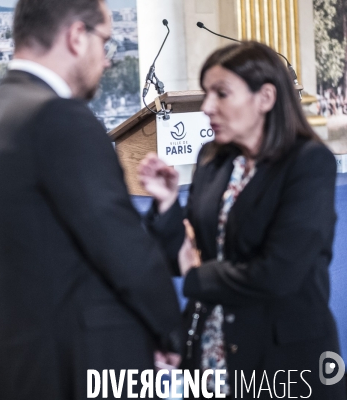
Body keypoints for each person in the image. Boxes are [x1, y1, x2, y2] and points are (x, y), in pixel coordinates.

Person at [0, 0, 183, 398]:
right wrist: (174, 334)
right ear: (77, 36)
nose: (108, 60)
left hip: (25, 366)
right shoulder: (58, 117)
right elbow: (122, 248)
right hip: (83, 365)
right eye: (106, 42)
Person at [139, 41, 346, 398]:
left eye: (221, 94)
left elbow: (278, 273)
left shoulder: (309, 163)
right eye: (207, 94)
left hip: (282, 363)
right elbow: (180, 256)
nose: (207, 107)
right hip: (209, 355)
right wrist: (167, 204)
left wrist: (196, 274)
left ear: (265, 98)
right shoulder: (213, 159)